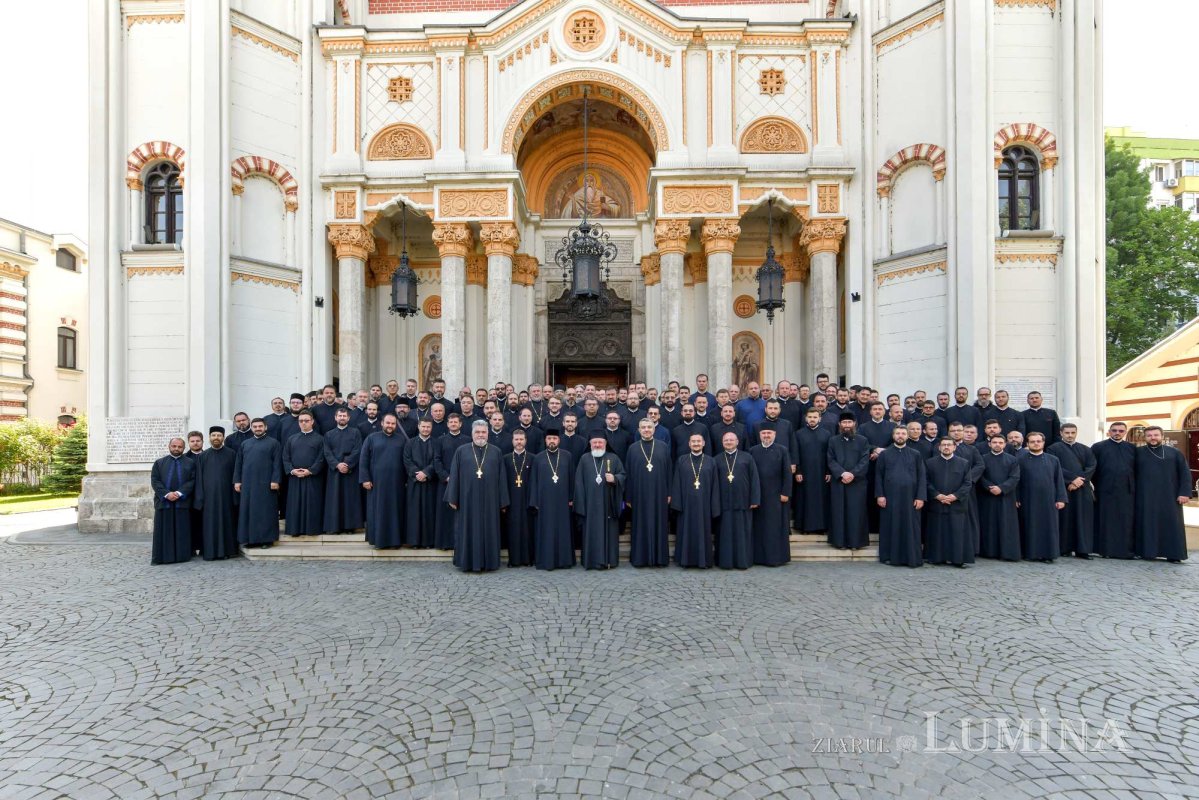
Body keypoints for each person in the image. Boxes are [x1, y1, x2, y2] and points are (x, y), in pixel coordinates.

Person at [446, 420, 509, 572]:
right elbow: (454, 475)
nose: (480, 435)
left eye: (483, 432)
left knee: (489, 529)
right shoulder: (461, 451)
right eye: (477, 432)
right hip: (467, 501)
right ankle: (467, 562)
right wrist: (452, 497)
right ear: (472, 433)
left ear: (488, 434)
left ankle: (490, 563)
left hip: (490, 500)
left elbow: (502, 478)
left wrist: (503, 501)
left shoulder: (496, 451)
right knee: (467, 529)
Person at [1133, 426, 1191, 562]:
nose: (1153, 438)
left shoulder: (1174, 452)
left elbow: (1185, 473)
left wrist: (1184, 493)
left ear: (1162, 436)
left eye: (1156, 435)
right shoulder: (1138, 452)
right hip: (1145, 495)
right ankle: (1148, 552)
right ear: (1145, 437)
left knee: (1172, 524)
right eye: (1149, 435)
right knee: (1147, 523)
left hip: (1170, 495)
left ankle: (1174, 554)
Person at [874, 424, 925, 567]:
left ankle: (911, 557)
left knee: (911, 527)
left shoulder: (916, 454)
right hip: (890, 497)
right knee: (891, 525)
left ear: (907, 436)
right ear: (893, 436)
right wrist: (880, 495)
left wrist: (920, 496)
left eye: (903, 433)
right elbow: (878, 476)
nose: (900, 436)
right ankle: (890, 556)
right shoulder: (884, 454)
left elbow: (922, 476)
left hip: (911, 498)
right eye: (898, 433)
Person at [573, 433, 626, 569]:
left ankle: (609, 560)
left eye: (600, 442)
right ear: (590, 444)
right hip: (589, 506)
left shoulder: (613, 458)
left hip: (608, 505)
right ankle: (590, 561)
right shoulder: (584, 459)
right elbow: (578, 483)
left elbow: (623, 475)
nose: (597, 445)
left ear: (605, 443)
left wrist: (614, 479)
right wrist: (581, 505)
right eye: (594, 442)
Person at [625, 418, 672, 567]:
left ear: (654, 430)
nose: (646, 430)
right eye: (643, 427)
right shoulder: (632, 448)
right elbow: (629, 474)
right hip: (639, 494)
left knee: (659, 524)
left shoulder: (663, 447)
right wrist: (629, 496)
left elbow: (668, 471)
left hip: (660, 493)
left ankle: (659, 558)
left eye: (649, 427)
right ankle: (640, 558)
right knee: (640, 525)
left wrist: (669, 493)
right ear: (639, 430)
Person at [671, 432, 721, 567]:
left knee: (703, 532)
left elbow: (715, 485)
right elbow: (676, 483)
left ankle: (703, 560)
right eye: (693, 441)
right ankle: (685, 560)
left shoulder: (711, 461)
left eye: (699, 441)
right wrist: (677, 503)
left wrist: (714, 506)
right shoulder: (682, 460)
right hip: (686, 505)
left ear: (704, 443)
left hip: (704, 505)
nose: (696, 444)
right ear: (689, 444)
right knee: (686, 531)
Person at [1015, 432, 1066, 562]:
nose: (1036, 443)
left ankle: (1049, 554)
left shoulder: (1053, 460)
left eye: (1038, 441)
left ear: (1043, 443)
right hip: (1028, 499)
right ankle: (1030, 553)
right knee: (1029, 525)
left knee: (1049, 527)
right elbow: (1017, 481)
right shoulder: (1020, 460)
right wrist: (1017, 498)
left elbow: (1058, 480)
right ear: (1027, 444)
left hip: (1049, 499)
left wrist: (1061, 498)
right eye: (1032, 441)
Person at [1047, 423, 1097, 558]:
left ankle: (1083, 549)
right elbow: (1055, 467)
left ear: (1076, 433)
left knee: (1083, 519)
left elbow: (1091, 466)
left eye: (1072, 433)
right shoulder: (1053, 449)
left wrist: (1080, 481)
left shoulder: (1085, 449)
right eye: (1067, 433)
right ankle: (1065, 548)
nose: (1070, 435)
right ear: (1061, 433)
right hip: (1064, 487)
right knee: (1066, 519)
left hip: (1083, 488)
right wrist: (1072, 479)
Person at [529, 428, 575, 570]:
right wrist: (535, 501)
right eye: (549, 439)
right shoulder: (539, 458)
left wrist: (572, 497)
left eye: (554, 439)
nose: (552, 441)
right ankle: (546, 561)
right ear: (545, 440)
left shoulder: (567, 456)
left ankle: (564, 561)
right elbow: (533, 481)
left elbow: (572, 479)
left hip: (563, 501)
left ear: (558, 440)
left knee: (563, 530)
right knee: (546, 530)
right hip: (544, 502)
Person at [714, 431, 762, 570]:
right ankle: (725, 562)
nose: (728, 442)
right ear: (722, 443)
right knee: (724, 534)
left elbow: (754, 479)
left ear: (737, 442)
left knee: (742, 533)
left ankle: (742, 561)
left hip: (743, 502)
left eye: (731, 440)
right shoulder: (716, 459)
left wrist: (755, 499)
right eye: (726, 440)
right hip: (723, 503)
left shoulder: (747, 457)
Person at [924, 438, 973, 567]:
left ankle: (957, 559)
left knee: (956, 532)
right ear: (939, 447)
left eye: (949, 445)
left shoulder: (964, 463)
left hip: (956, 504)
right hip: (937, 503)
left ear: (954, 447)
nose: (946, 447)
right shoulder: (930, 463)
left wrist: (955, 496)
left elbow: (967, 483)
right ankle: (936, 558)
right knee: (937, 531)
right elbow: (926, 482)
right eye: (944, 445)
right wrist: (937, 495)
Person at [360, 413, 407, 549]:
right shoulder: (371, 438)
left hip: (396, 483)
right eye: (388, 423)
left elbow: (406, 461)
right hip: (376, 483)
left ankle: (395, 541)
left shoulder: (401, 440)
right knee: (378, 511)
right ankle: (379, 541)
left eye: (393, 424)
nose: (390, 426)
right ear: (382, 423)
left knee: (395, 512)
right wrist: (365, 479)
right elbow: (364, 460)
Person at [234, 418, 283, 548]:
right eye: (255, 427)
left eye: (260, 426)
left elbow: (277, 464)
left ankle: (266, 540)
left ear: (265, 427)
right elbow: (239, 463)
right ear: (252, 428)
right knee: (249, 512)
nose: (257, 428)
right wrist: (237, 481)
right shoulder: (245, 444)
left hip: (267, 484)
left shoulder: (274, 443)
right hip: (248, 484)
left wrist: (275, 480)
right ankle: (250, 540)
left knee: (266, 512)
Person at [1091, 422, 1136, 559]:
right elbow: (1092, 468)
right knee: (1106, 521)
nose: (1117, 433)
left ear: (1125, 432)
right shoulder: (1098, 447)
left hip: (1126, 491)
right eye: (1114, 430)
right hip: (1105, 490)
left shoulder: (1131, 448)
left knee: (1126, 521)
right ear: (1109, 432)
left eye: (1121, 431)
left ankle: (1125, 551)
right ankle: (1105, 550)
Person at [193, 425, 239, 561]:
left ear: (223, 437)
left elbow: (236, 476)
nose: (216, 438)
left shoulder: (232, 454)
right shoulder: (203, 456)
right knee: (209, 526)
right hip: (209, 499)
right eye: (213, 435)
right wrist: (200, 498)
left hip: (226, 498)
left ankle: (226, 551)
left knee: (227, 524)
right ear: (209, 438)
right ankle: (210, 552)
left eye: (219, 435)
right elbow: (199, 479)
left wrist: (234, 497)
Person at [827, 413, 871, 549]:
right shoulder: (833, 440)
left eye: (849, 422)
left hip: (857, 483)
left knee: (855, 512)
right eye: (844, 422)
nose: (847, 425)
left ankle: (855, 542)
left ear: (854, 424)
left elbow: (865, 460)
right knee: (838, 511)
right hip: (839, 482)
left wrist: (852, 474)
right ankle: (839, 542)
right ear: (840, 424)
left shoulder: (863, 440)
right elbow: (830, 459)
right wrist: (842, 473)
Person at [749, 424, 791, 566]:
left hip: (776, 496)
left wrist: (785, 492)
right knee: (759, 527)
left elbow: (787, 473)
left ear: (774, 434)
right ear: (760, 435)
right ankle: (759, 558)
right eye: (764, 433)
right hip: (759, 495)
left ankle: (776, 558)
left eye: (769, 433)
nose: (766, 435)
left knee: (774, 527)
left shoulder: (782, 450)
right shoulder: (753, 451)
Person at [151, 437, 196, 565]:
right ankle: (163, 556)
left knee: (182, 530)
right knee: (164, 531)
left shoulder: (190, 463)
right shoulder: (159, 463)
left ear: (184, 447)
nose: (176, 449)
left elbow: (192, 481)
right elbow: (155, 480)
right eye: (174, 446)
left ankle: (182, 556)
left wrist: (179, 493)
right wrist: (166, 494)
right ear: (169, 446)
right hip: (164, 502)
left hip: (183, 502)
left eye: (179, 447)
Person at [977, 434, 1021, 561]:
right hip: (987, 496)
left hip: (1006, 497)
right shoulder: (983, 458)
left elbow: (1015, 477)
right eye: (994, 442)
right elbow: (980, 476)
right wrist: (990, 487)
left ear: (1005, 444)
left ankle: (1006, 552)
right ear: (989, 444)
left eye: (1000, 442)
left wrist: (1001, 488)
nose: (997, 444)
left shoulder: (1012, 460)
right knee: (988, 523)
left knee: (1006, 524)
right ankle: (989, 552)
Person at [282, 411, 326, 535]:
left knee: (312, 504)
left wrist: (310, 470)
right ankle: (294, 530)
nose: (304, 423)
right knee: (295, 504)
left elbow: (322, 457)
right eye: (301, 421)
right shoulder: (291, 439)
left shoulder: (320, 439)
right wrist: (292, 470)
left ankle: (312, 529)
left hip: (313, 477)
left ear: (312, 422)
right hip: (295, 477)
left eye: (306, 420)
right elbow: (285, 457)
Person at [322, 407, 364, 534]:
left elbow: (358, 450)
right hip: (334, 471)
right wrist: (337, 464)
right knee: (335, 499)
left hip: (350, 471)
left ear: (348, 418)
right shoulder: (328, 434)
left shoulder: (355, 432)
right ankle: (335, 526)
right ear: (335, 418)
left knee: (349, 499)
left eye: (344, 416)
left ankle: (349, 526)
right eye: (339, 416)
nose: (342, 418)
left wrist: (346, 464)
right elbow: (327, 452)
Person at [794, 407, 832, 532]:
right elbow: (796, 453)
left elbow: (829, 454)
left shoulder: (826, 434)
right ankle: (804, 526)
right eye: (810, 417)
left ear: (820, 419)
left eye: (815, 417)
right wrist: (798, 471)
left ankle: (821, 526)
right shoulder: (799, 434)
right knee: (804, 498)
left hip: (821, 473)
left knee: (820, 499)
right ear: (806, 418)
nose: (812, 419)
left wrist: (828, 471)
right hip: (804, 473)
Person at [403, 418, 439, 548]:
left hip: (430, 482)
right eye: (423, 426)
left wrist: (426, 473)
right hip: (414, 483)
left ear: (431, 428)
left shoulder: (436, 443)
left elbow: (437, 460)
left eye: (428, 427)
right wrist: (416, 473)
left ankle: (428, 541)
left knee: (429, 512)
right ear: (419, 426)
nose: (425, 429)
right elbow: (407, 460)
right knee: (414, 512)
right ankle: (414, 542)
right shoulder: (410, 443)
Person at [432, 412, 465, 549]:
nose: (453, 424)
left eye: (455, 422)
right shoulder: (440, 440)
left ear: (460, 424)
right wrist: (445, 476)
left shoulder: (467, 440)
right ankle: (445, 543)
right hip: (445, 482)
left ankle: (461, 542)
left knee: (461, 512)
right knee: (444, 514)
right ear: (447, 424)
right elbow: (436, 460)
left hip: (462, 483)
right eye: (451, 422)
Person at [503, 429, 535, 566]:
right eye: (516, 439)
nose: (519, 442)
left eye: (521, 439)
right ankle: (513, 560)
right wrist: (504, 501)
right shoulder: (506, 459)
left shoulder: (533, 458)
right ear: (512, 441)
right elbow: (502, 481)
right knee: (513, 530)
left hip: (527, 500)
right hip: (511, 500)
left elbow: (536, 482)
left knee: (528, 530)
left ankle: (528, 559)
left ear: (525, 441)